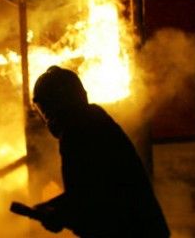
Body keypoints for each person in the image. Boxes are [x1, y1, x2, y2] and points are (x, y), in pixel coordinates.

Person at [31, 65, 170, 237]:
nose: (47, 119)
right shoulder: (94, 118)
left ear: (57, 105)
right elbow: (88, 190)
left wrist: (57, 214)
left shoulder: (76, 132)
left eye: (46, 111)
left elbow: (91, 202)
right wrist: (55, 206)